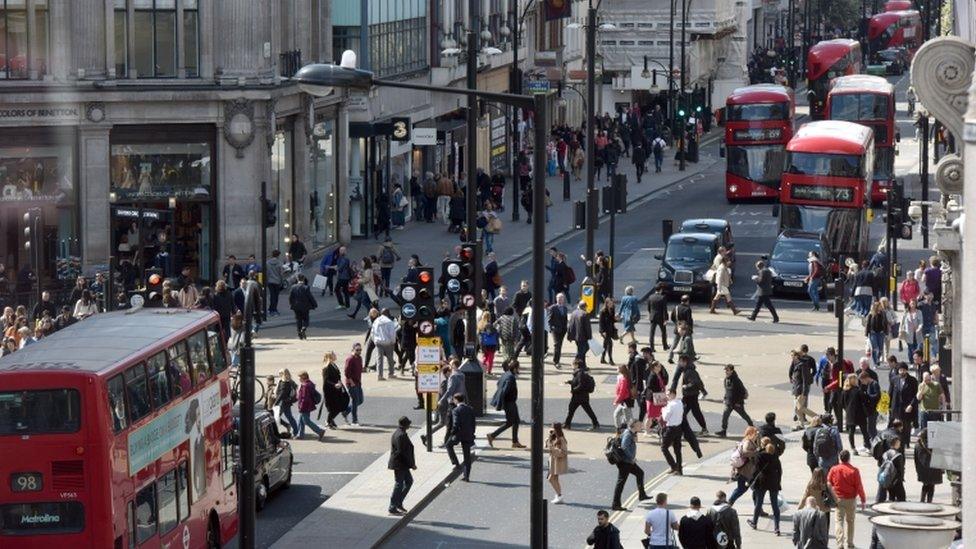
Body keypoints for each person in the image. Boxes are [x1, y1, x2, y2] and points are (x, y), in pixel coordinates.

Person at [827, 449, 866, 547]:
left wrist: (833, 494)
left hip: (838, 499)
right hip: (851, 499)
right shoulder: (854, 470)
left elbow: (828, 483)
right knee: (850, 522)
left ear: (840, 458)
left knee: (839, 521)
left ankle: (840, 543)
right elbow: (859, 486)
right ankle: (850, 543)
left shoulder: (834, 469)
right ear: (849, 458)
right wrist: (863, 500)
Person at [611, 420, 650, 510]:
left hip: (628, 462)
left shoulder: (630, 433)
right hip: (625, 462)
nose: (641, 427)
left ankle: (642, 495)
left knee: (640, 473)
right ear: (634, 426)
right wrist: (631, 458)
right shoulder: (628, 434)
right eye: (639, 425)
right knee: (621, 483)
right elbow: (624, 446)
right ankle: (616, 504)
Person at [747, 440, 783, 535]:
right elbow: (780, 472)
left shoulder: (760, 456)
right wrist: (778, 483)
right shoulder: (776, 458)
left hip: (762, 482)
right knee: (775, 505)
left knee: (759, 503)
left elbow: (755, 469)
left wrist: (750, 480)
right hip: (773, 482)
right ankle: (777, 528)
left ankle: (754, 522)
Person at [487, 359, 525, 448]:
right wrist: (502, 403)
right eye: (518, 368)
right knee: (510, 422)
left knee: (516, 421)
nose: (519, 369)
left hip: (510, 402)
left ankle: (515, 441)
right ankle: (492, 435)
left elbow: (498, 384)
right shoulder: (511, 377)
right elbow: (505, 390)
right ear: (515, 368)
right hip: (509, 402)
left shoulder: (506, 374)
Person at [388, 416, 416, 515]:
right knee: (399, 484)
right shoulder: (401, 435)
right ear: (405, 425)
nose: (409, 425)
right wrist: (412, 464)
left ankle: (398, 502)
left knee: (408, 481)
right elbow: (402, 452)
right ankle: (393, 506)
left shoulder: (399, 433)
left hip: (402, 464)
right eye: (408, 423)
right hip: (400, 464)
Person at [446, 394, 476, 482]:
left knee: (448, 445)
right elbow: (473, 423)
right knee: (467, 456)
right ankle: (466, 476)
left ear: (456, 400)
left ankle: (456, 463)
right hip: (468, 434)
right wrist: (472, 433)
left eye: (454, 400)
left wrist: (452, 433)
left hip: (458, 434)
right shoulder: (470, 409)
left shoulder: (456, 410)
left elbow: (456, 424)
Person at [728, 426, 761, 505]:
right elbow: (745, 452)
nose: (757, 435)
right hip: (746, 471)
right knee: (754, 489)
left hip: (744, 471)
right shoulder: (748, 442)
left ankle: (730, 502)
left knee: (742, 489)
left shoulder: (748, 441)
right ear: (751, 433)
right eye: (756, 433)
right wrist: (756, 453)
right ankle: (758, 508)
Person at [717, 364, 752, 438]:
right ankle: (723, 430)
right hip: (729, 402)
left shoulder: (736, 380)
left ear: (732, 371)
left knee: (744, 415)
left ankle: (752, 427)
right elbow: (727, 391)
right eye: (725, 370)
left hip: (737, 404)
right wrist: (725, 398)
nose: (726, 372)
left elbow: (742, 392)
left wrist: (738, 402)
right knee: (725, 416)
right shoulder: (726, 379)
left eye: (728, 370)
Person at [889, 363, 918, 450]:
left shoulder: (912, 380)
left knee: (906, 427)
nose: (902, 372)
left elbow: (915, 395)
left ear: (906, 370)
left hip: (907, 407)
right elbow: (890, 393)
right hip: (896, 407)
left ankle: (906, 443)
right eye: (900, 370)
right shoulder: (894, 379)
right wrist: (889, 406)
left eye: (903, 370)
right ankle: (897, 443)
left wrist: (911, 405)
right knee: (896, 426)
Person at [564, 359, 600, 430]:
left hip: (579, 396)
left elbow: (581, 384)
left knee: (572, 410)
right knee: (574, 410)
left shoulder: (580, 373)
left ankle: (567, 424)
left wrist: (573, 390)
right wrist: (569, 382)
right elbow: (576, 382)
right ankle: (567, 424)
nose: (572, 366)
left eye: (573, 364)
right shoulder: (579, 373)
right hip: (582, 396)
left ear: (577, 365)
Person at [790, 345, 819, 429]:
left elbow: (805, 380)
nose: (791, 357)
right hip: (797, 388)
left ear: (796, 356)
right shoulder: (797, 363)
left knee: (800, 408)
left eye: (792, 356)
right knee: (798, 409)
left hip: (800, 390)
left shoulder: (802, 365)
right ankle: (801, 424)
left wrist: (804, 392)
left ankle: (816, 417)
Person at [842, 374, 871, 453]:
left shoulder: (845, 390)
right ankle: (868, 446)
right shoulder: (858, 390)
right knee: (864, 431)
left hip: (850, 413)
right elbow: (865, 399)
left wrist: (847, 410)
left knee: (851, 431)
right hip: (860, 413)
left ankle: (853, 448)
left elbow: (842, 403)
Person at [319, 352, 348, 429]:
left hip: (337, 389)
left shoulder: (334, 365)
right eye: (334, 355)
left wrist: (339, 383)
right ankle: (328, 421)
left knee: (341, 404)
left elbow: (337, 376)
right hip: (330, 391)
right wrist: (334, 384)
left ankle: (330, 420)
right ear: (330, 357)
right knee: (334, 407)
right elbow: (326, 380)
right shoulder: (327, 367)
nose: (335, 356)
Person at [914, 428, 943, 503]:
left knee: (925, 485)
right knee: (931, 486)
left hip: (923, 470)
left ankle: (922, 500)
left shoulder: (918, 445)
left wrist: (917, 470)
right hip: (934, 469)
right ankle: (929, 502)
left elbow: (916, 459)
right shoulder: (935, 444)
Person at [295, 371, 326, 441]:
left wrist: (301, 407)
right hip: (308, 405)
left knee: (306, 421)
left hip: (304, 406)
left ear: (303, 377)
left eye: (299, 377)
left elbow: (304, 398)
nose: (299, 379)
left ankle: (320, 431)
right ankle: (300, 434)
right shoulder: (309, 383)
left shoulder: (305, 386)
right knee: (301, 420)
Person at [660, 390, 685, 475]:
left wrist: (663, 409)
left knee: (664, 448)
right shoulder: (679, 402)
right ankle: (679, 469)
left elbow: (665, 418)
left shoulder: (671, 405)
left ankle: (674, 466)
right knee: (677, 450)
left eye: (668, 395)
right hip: (679, 428)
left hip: (671, 429)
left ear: (673, 394)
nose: (666, 396)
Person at [371, 309, 398, 380]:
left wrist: (375, 341)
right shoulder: (389, 322)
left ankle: (380, 375)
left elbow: (372, 332)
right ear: (388, 314)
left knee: (380, 359)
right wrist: (393, 341)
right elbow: (392, 333)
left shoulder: (376, 321)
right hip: (388, 342)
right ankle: (391, 373)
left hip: (378, 342)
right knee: (390, 359)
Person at [288, 274, 317, 339]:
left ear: (297, 279)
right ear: (303, 279)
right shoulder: (306, 287)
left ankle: (299, 334)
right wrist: (314, 304)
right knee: (306, 319)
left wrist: (291, 304)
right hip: (305, 306)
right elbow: (310, 297)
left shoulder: (293, 287)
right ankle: (304, 328)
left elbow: (290, 297)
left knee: (298, 319)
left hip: (296, 306)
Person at [878, 437, 906, 503]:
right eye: (898, 443)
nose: (899, 445)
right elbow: (900, 469)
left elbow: (880, 464)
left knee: (891, 496)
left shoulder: (885, 454)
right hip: (896, 479)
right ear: (896, 444)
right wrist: (901, 478)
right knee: (901, 497)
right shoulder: (898, 455)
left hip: (887, 478)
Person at [546, 422, 569, 503]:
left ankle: (559, 495)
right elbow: (548, 446)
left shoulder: (561, 439)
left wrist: (553, 449)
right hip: (553, 461)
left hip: (558, 462)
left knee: (551, 479)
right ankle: (558, 495)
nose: (551, 430)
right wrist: (549, 438)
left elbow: (564, 452)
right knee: (554, 478)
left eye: (553, 428)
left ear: (557, 429)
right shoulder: (553, 437)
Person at [343, 343, 365, 426]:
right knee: (355, 401)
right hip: (351, 383)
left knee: (360, 400)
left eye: (360, 350)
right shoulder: (350, 359)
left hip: (358, 382)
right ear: (353, 350)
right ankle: (354, 420)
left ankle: (346, 411)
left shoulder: (359, 358)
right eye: (357, 350)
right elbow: (346, 372)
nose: (359, 351)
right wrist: (351, 382)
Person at [667, 295, 693, 363]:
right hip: (685, 328)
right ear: (687, 301)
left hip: (678, 327)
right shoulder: (687, 309)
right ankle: (686, 358)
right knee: (686, 343)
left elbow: (672, 317)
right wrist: (689, 327)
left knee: (674, 343)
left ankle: (670, 356)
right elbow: (689, 320)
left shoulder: (676, 307)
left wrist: (677, 324)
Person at [274, 369, 300, 435]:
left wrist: (275, 403)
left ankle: (291, 428)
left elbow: (281, 394)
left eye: (280, 373)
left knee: (276, 416)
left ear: (282, 374)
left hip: (283, 402)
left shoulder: (283, 383)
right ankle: (295, 430)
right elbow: (296, 387)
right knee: (289, 416)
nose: (279, 375)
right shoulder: (290, 381)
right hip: (288, 401)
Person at [865, 300, 890, 366]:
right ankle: (875, 362)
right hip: (873, 333)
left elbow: (885, 323)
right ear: (876, 307)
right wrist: (866, 333)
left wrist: (886, 332)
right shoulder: (871, 314)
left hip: (881, 333)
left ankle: (878, 358)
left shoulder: (883, 313)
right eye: (879, 306)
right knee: (875, 348)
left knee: (881, 349)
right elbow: (868, 324)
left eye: (881, 306)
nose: (881, 307)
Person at [548, 293, 569, 368]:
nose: (560, 299)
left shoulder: (565, 308)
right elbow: (549, 319)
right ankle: (556, 361)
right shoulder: (552, 308)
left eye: (561, 298)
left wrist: (566, 328)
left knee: (559, 345)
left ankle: (557, 360)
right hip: (555, 330)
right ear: (556, 299)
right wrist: (551, 328)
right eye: (558, 298)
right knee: (557, 345)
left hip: (563, 330)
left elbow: (565, 319)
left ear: (563, 299)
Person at [647, 283, 669, 353]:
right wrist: (666, 319)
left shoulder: (650, 297)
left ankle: (652, 347)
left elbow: (649, 308)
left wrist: (651, 314)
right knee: (663, 332)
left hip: (653, 316)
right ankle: (665, 346)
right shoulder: (663, 297)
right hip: (661, 317)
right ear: (661, 290)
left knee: (652, 333)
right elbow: (664, 309)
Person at [598, 298, 618, 365]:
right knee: (610, 344)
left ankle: (602, 358)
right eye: (610, 303)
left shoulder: (612, 309)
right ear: (606, 303)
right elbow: (601, 322)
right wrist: (603, 331)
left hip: (610, 330)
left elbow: (612, 320)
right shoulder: (603, 311)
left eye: (612, 303)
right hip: (605, 331)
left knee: (605, 345)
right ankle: (610, 359)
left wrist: (616, 319)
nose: (611, 304)